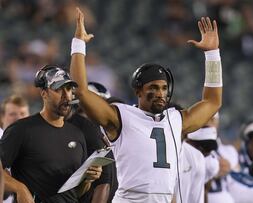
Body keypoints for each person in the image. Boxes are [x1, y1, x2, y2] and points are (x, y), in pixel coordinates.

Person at [70, 8, 222, 203]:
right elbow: (81, 91)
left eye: (164, 88)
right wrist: (79, 44)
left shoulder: (176, 119)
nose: (160, 93)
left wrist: (212, 54)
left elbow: (212, 101)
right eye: (153, 87)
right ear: (138, 91)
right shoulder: (121, 116)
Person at [0, 65, 103, 203]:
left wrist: (88, 180)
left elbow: (76, 192)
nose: (66, 96)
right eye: (58, 89)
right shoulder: (21, 129)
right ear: (44, 93)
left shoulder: (77, 134)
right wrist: (19, 188)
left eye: (68, 89)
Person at [174, 126, 219, 203]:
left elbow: (204, 191)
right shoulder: (176, 152)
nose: (205, 153)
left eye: (208, 150)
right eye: (202, 147)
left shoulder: (210, 163)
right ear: (188, 140)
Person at [0, 95, 30, 203]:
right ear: (2, 118)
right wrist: (18, 187)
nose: (19, 118)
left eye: (22, 113)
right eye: (12, 114)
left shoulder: (33, 142)